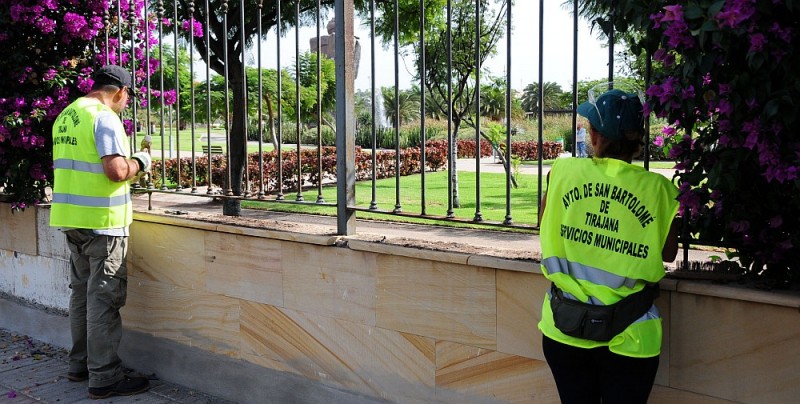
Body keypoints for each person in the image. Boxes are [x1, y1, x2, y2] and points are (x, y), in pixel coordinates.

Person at [537, 89, 680, 403]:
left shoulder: (562, 172)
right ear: (638, 140)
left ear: (594, 135)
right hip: (630, 336)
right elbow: (668, 254)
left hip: (564, 329)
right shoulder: (659, 190)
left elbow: (542, 221)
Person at [50, 65, 152, 399]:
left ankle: (79, 365)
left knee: (81, 294)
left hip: (72, 220)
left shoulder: (68, 114)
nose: (127, 104)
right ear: (120, 91)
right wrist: (141, 160)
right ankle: (105, 376)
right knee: (103, 300)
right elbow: (116, 170)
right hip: (103, 224)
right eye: (128, 98)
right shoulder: (104, 117)